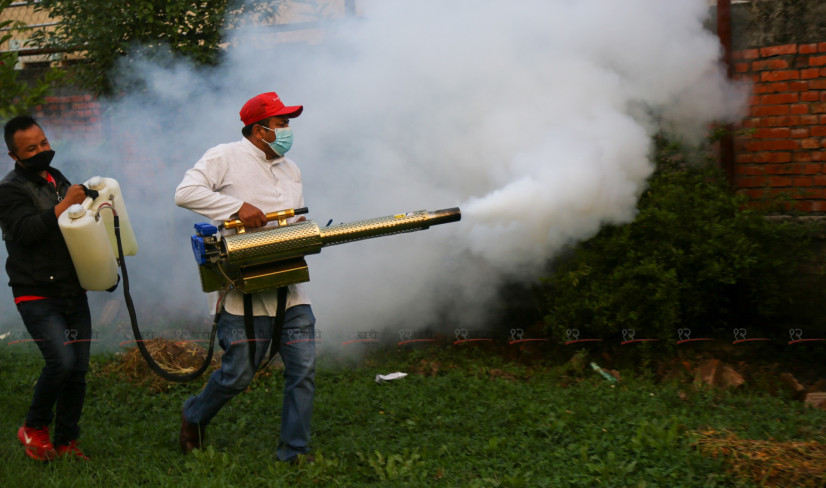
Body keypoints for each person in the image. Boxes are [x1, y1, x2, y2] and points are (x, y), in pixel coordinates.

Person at [175, 91, 317, 463]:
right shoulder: (225, 156)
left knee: (302, 368)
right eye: (281, 123)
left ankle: (294, 452)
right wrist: (237, 207)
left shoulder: (291, 168)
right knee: (239, 374)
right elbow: (185, 192)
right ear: (259, 130)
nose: (288, 130)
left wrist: (297, 228)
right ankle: (193, 415)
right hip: (240, 287)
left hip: (289, 286)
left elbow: (285, 219)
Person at [0, 115, 92, 461]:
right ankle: (34, 427)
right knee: (61, 362)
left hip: (72, 289)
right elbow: (25, 232)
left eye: (43, 143)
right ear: (14, 156)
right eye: (31, 149)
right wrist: (66, 204)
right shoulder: (9, 189)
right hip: (36, 293)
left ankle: (67, 440)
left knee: (78, 370)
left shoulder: (56, 177)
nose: (41, 151)